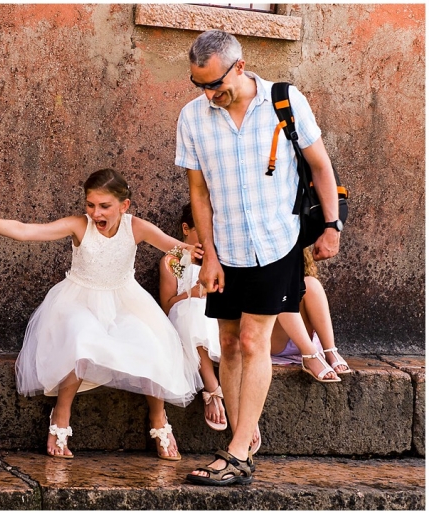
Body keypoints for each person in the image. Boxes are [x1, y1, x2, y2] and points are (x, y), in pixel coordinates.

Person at [176, 30, 342, 486]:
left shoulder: (284, 102)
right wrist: (208, 255)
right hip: (224, 249)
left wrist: (331, 227)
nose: (208, 93)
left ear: (240, 66)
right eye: (199, 84)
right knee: (227, 344)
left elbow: (321, 166)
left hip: (276, 242)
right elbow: (198, 192)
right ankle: (242, 437)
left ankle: (235, 455)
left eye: (215, 83)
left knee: (252, 341)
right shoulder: (192, 118)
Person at [0, 169, 203, 460]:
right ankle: (61, 415)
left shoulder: (135, 227)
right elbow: (28, 231)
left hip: (124, 300)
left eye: (104, 206)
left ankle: (159, 420)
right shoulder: (79, 226)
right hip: (79, 300)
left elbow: (178, 247)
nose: (95, 212)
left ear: (123, 206)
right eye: (90, 204)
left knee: (152, 343)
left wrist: (195, 249)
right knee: (81, 338)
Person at [159, 203, 224, 431]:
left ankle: (241, 408)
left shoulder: (222, 258)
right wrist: (192, 294)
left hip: (217, 323)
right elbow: (167, 306)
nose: (209, 241)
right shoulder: (175, 260)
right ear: (186, 229)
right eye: (203, 232)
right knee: (195, 309)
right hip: (186, 321)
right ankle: (212, 388)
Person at [271, 247, 351, 377]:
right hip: (275, 341)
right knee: (279, 287)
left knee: (311, 284)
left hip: (304, 338)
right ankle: (310, 355)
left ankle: (330, 351)